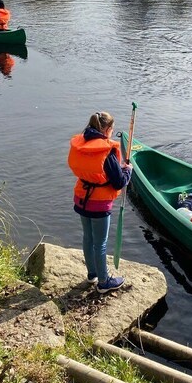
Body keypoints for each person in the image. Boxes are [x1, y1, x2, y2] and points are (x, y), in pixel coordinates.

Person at [67, 112, 132, 294]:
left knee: (88, 238)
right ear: (107, 129)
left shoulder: (82, 144)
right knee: (100, 243)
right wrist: (128, 171)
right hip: (98, 203)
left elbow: (98, 169)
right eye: (112, 129)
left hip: (81, 199)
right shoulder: (106, 150)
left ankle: (92, 274)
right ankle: (104, 282)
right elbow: (118, 182)